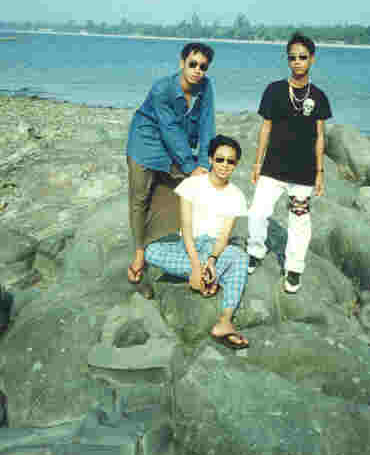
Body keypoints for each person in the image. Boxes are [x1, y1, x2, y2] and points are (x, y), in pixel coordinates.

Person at [145, 135, 249, 349]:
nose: (224, 165)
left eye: (230, 161)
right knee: (151, 252)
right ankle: (210, 279)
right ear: (210, 159)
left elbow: (224, 237)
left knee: (240, 257)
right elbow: (186, 226)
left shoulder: (236, 195)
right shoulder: (192, 184)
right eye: (220, 159)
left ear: (236, 164)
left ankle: (225, 320)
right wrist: (195, 266)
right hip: (188, 245)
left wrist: (211, 261)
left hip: (214, 248)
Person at [247, 32, 332, 293]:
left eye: (302, 57)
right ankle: (255, 251)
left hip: (303, 173)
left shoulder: (319, 96)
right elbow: (265, 128)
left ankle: (294, 268)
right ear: (288, 60)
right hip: (272, 168)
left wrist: (320, 172)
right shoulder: (274, 90)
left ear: (312, 59)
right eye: (292, 57)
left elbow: (320, 136)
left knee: (299, 221)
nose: (297, 62)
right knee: (257, 212)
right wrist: (257, 164)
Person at [126, 42, 216, 284]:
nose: (197, 70)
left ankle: (172, 240)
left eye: (203, 67)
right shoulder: (162, 89)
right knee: (140, 197)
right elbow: (170, 129)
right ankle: (139, 251)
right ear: (182, 62)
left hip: (174, 142)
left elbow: (207, 125)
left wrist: (204, 163)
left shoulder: (206, 87)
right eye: (193, 64)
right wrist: (190, 166)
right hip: (146, 141)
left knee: (187, 189)